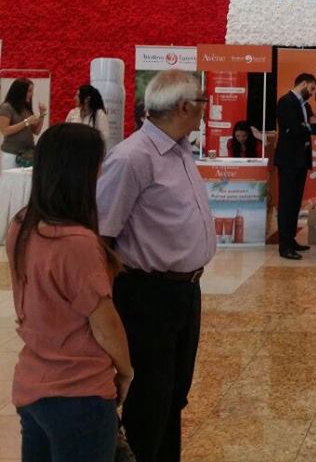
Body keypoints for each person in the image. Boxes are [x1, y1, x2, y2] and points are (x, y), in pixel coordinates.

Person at [96, 70, 216, 462]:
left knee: (174, 394)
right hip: (147, 294)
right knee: (149, 400)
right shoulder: (132, 157)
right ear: (184, 106)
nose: (205, 108)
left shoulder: (179, 149)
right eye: (202, 101)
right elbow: (102, 234)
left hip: (185, 290)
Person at [8, 123, 133, 462]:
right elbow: (105, 324)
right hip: (78, 392)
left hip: (33, 383)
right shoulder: (76, 242)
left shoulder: (21, 225)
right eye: (98, 164)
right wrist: (126, 371)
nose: (101, 173)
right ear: (82, 171)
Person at [274, 73, 316, 260]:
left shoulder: (306, 106)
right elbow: (294, 129)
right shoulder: (286, 102)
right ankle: (284, 246)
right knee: (287, 203)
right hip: (288, 160)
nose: (312, 93)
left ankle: (291, 239)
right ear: (303, 84)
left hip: (302, 160)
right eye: (311, 88)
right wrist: (307, 126)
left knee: (295, 203)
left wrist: (306, 125)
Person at [0, 78, 46, 171]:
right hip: (12, 154)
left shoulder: (26, 109)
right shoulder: (6, 107)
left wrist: (42, 115)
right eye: (29, 91)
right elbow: (5, 131)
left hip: (28, 154)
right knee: (11, 179)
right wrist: (26, 122)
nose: (31, 94)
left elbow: (36, 131)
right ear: (20, 91)